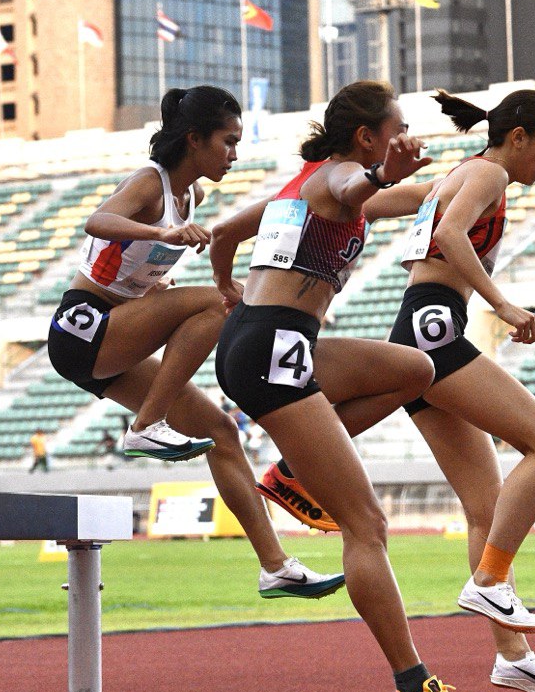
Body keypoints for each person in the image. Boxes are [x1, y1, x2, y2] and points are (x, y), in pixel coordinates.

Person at [210, 80, 500, 692]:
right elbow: (354, 188)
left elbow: (227, 229)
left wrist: (476, 169)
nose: (404, 136)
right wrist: (376, 173)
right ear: (367, 136)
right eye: (395, 126)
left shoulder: (308, 178)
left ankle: (290, 473)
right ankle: (414, 687)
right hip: (271, 349)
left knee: (415, 368)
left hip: (272, 338)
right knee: (366, 524)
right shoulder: (340, 175)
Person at [48, 85, 343, 605]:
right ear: (194, 140)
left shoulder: (193, 197)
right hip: (82, 327)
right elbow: (96, 222)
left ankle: (276, 567)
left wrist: (157, 282)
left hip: (117, 331)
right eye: (227, 142)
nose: (234, 154)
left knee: (221, 432)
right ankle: (145, 427)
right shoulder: (150, 184)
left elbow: (130, 274)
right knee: (209, 302)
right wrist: (163, 236)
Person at [365, 83, 535, 692]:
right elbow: (453, 236)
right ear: (517, 138)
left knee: (485, 507)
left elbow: (376, 204)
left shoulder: (459, 174)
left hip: (418, 329)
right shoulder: (487, 177)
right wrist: (506, 306)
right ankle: (490, 582)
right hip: (434, 330)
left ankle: (511, 656)